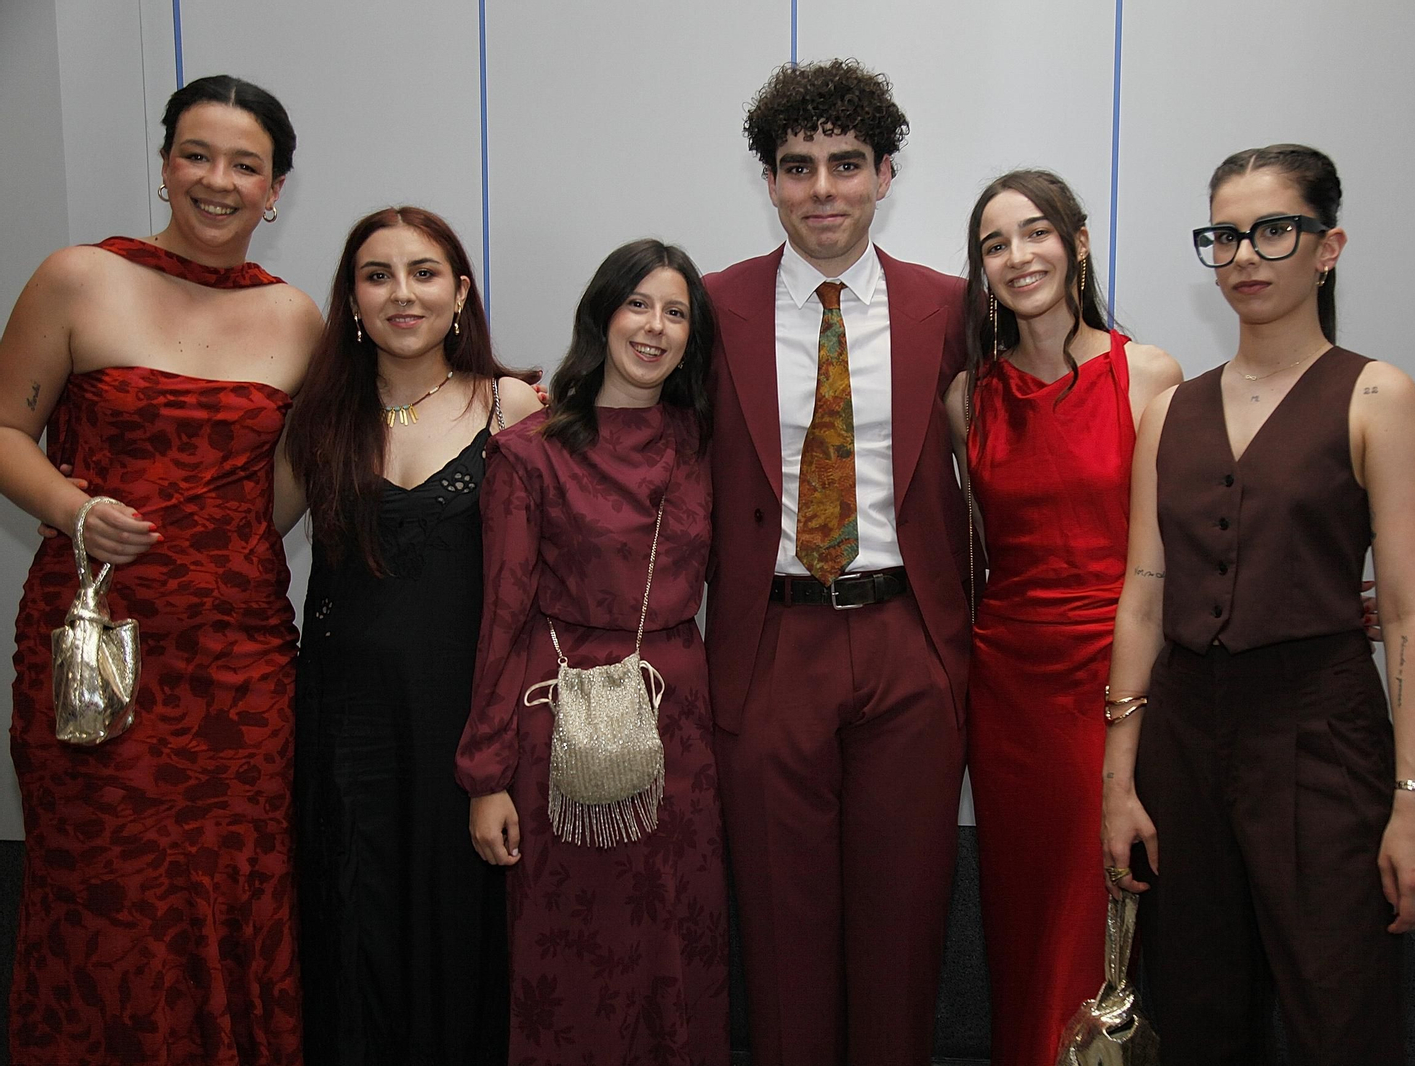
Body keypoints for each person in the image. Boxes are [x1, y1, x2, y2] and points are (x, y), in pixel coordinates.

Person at [1100, 144, 1415, 1066]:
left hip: (1321, 733)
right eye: (1225, 235)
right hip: (1184, 737)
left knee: (1342, 1009)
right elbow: (1144, 593)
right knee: (1198, 1005)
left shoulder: (1378, 396)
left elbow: (1412, 614)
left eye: (1273, 230)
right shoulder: (1172, 411)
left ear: (1328, 246)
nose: (1245, 255)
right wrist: (1119, 779)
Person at [0, 75, 321, 1064]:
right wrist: (72, 509)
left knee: (234, 875)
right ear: (164, 165)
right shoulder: (78, 278)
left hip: (237, 656)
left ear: (276, 190)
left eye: (244, 165)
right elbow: (7, 426)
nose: (217, 181)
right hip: (97, 640)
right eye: (197, 154)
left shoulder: (299, 320)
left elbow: (283, 489)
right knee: (103, 877)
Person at [702, 59, 973, 1065]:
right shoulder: (707, 306)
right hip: (769, 642)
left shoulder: (950, 308)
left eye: (845, 164)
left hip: (909, 641)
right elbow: (626, 430)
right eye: (797, 165)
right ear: (768, 180)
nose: (822, 189)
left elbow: (1041, 438)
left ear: (884, 175)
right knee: (779, 927)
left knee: (904, 923)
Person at [456, 239, 727, 1064]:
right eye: (638, 305)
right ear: (601, 315)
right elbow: (500, 620)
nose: (654, 327)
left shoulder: (707, 444)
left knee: (682, 939)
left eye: (676, 312)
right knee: (574, 949)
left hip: (680, 724)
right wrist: (485, 778)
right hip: (565, 730)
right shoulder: (528, 451)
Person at [284, 206, 541, 1065]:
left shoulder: (509, 405)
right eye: (377, 275)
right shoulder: (318, 414)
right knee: (354, 922)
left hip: (460, 722)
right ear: (351, 301)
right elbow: (238, 539)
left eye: (425, 273)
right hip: (340, 720)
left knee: (458, 928)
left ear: (460, 293)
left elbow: (543, 581)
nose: (403, 294)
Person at [944, 169, 1181, 1066]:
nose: (1018, 256)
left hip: (1116, 674)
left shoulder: (1146, 373)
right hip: (1008, 690)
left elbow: (1179, 545)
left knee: (1099, 901)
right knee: (1023, 912)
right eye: (995, 244)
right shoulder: (967, 400)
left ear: (1077, 244)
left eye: (1036, 233)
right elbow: (978, 552)